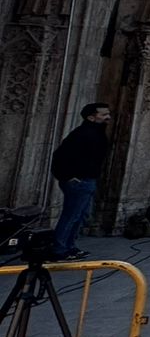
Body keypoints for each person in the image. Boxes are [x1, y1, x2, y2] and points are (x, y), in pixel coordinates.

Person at [48, 102, 111, 258]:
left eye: (108, 114)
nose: (108, 117)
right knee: (72, 215)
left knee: (80, 215)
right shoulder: (82, 134)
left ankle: (69, 246)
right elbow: (61, 156)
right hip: (78, 181)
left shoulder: (97, 133)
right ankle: (59, 249)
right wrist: (68, 177)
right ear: (91, 117)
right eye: (103, 115)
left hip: (87, 180)